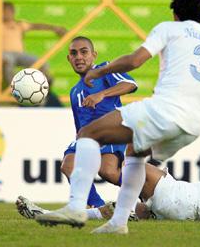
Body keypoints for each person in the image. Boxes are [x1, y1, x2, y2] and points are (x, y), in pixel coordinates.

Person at [35, 0, 200, 234]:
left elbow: (134, 61)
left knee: (88, 134)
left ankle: (77, 208)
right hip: (191, 128)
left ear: (175, 14)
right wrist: (197, 114)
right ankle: (118, 223)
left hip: (163, 110)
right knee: (134, 154)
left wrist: (99, 73)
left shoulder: (170, 29)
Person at [17, 126, 200, 223]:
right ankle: (50, 216)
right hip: (183, 212)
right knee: (120, 211)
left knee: (130, 168)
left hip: (183, 199)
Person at [17, 36, 138, 212]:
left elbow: (130, 84)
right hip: (88, 136)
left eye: (84, 52)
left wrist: (102, 94)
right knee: (68, 165)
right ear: (69, 59)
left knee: (108, 172)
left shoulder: (105, 70)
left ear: (94, 55)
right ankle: (98, 206)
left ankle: (149, 191)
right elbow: (79, 126)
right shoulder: (75, 92)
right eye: (73, 53)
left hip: (112, 130)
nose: (79, 57)